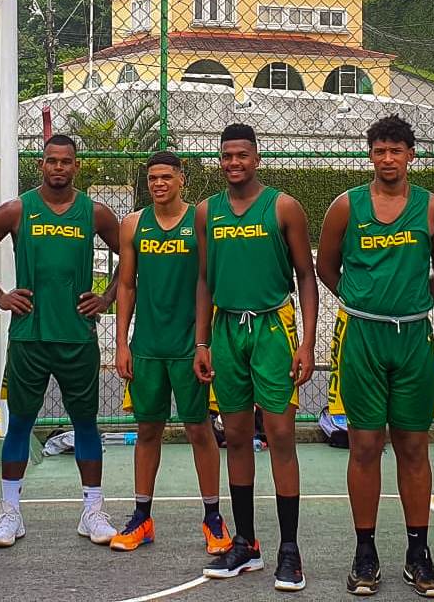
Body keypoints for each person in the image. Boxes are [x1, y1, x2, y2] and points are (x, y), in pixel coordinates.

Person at [316, 115, 434, 597]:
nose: (388, 159)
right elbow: (325, 267)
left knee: (414, 448)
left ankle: (419, 554)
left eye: (397, 150)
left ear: (411, 154)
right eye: (379, 150)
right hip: (363, 338)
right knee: (365, 446)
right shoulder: (345, 207)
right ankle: (365, 551)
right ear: (370, 154)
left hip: (413, 337)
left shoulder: (432, 208)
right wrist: (361, 297)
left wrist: (416, 298)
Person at [194, 123, 318, 593]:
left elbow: (306, 275)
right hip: (226, 330)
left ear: (257, 158)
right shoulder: (207, 212)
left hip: (272, 325)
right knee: (237, 435)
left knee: (282, 434)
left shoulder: (283, 206)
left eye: (241, 155)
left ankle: (291, 548)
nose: (233, 163)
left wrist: (306, 343)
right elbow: (205, 278)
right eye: (226, 156)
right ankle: (244, 542)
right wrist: (202, 342)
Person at [0, 134, 122, 548]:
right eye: (51, 161)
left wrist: (107, 297)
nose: (58, 167)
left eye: (66, 161)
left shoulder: (95, 213)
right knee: (20, 425)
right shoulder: (15, 210)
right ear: (40, 165)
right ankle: (10, 514)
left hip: (78, 336)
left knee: (85, 425)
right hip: (29, 335)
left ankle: (93, 512)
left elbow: (129, 258)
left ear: (76, 166)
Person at [111, 151, 231, 556]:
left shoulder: (200, 221)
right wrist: (121, 341)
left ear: (182, 179)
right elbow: (126, 286)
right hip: (147, 346)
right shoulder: (133, 224)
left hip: (189, 345)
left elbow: (208, 281)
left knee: (199, 429)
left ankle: (213, 518)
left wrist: (205, 342)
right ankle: (142, 517)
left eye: (166, 177)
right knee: (148, 430)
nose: (158, 184)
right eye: (152, 178)